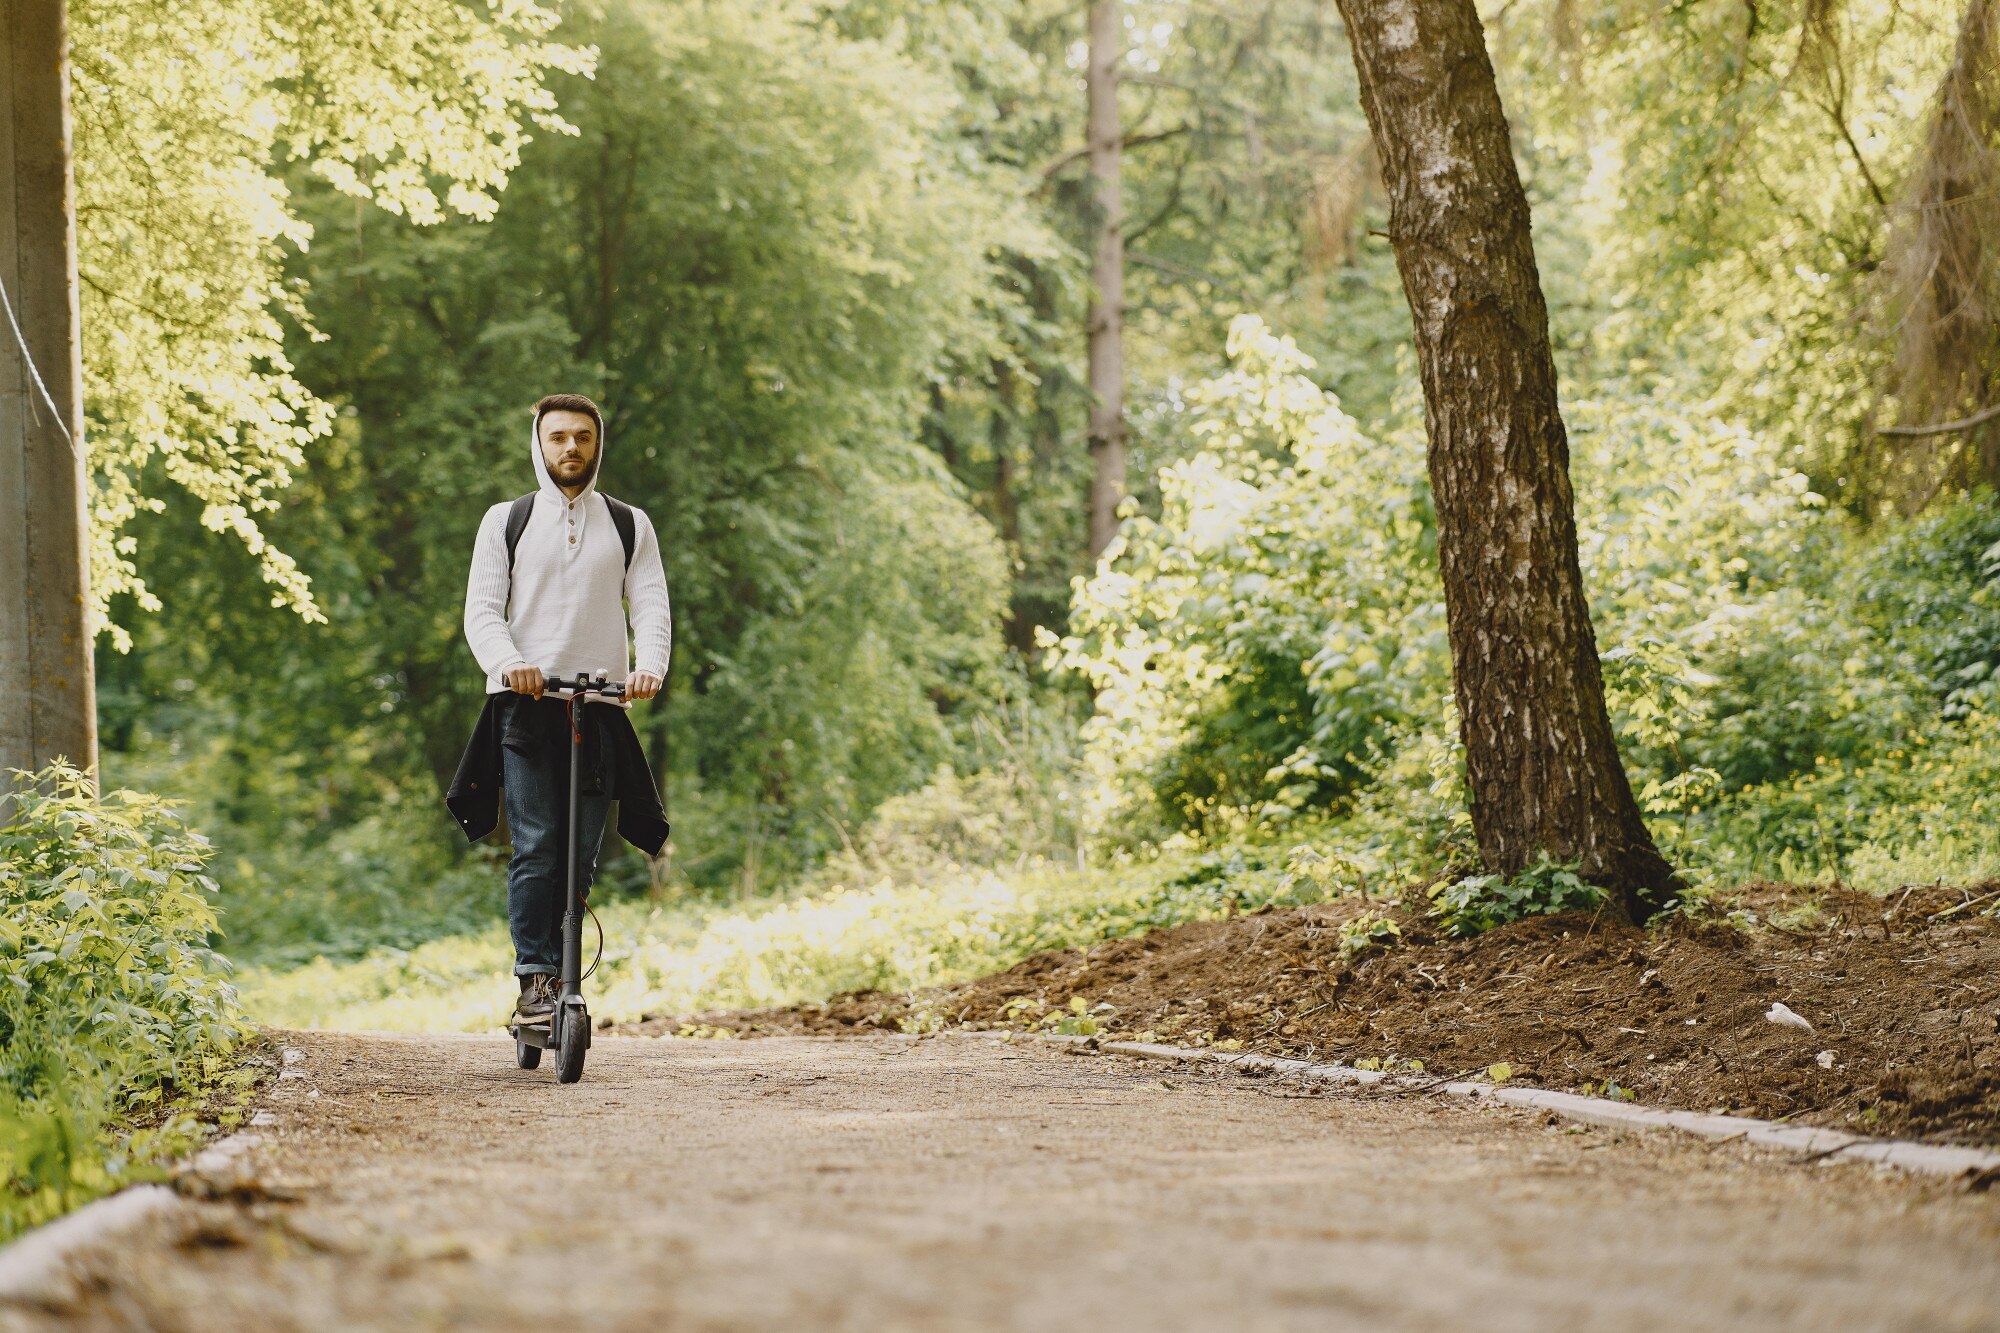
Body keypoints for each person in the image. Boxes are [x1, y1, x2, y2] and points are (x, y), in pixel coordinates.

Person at [445, 394, 672, 1025]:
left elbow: (650, 605)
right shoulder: (506, 520)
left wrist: (649, 667)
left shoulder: (630, 524)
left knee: (580, 849)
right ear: (539, 446)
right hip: (526, 706)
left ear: (598, 445)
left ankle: (566, 973)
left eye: (582, 438)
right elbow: (483, 612)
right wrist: (510, 663)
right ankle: (535, 980)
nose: (570, 449)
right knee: (539, 844)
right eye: (557, 438)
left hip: (599, 705)